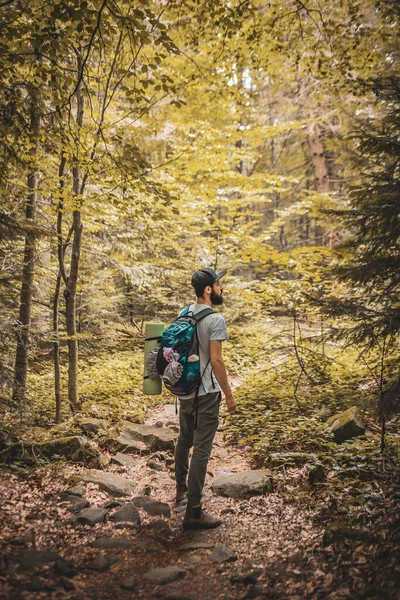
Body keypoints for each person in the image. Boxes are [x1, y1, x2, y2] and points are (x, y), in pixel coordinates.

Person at [174, 267, 236, 530]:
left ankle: (180, 490)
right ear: (208, 289)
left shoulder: (184, 312)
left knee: (184, 439)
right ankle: (194, 512)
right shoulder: (215, 319)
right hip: (207, 394)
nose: (221, 288)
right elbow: (216, 359)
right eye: (218, 284)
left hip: (186, 391)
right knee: (201, 449)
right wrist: (229, 395)